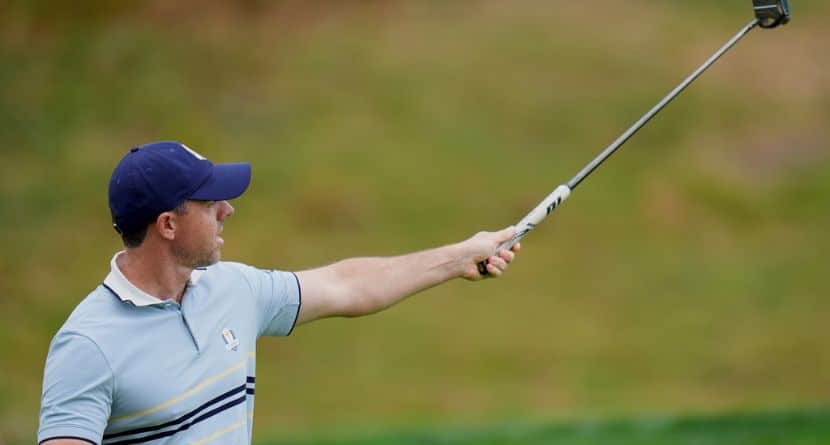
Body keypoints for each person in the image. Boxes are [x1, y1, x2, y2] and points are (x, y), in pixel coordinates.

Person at [38, 141, 519, 445]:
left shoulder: (233, 290)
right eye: (210, 203)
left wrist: (458, 258)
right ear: (167, 225)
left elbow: (346, 285)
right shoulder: (88, 346)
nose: (227, 210)